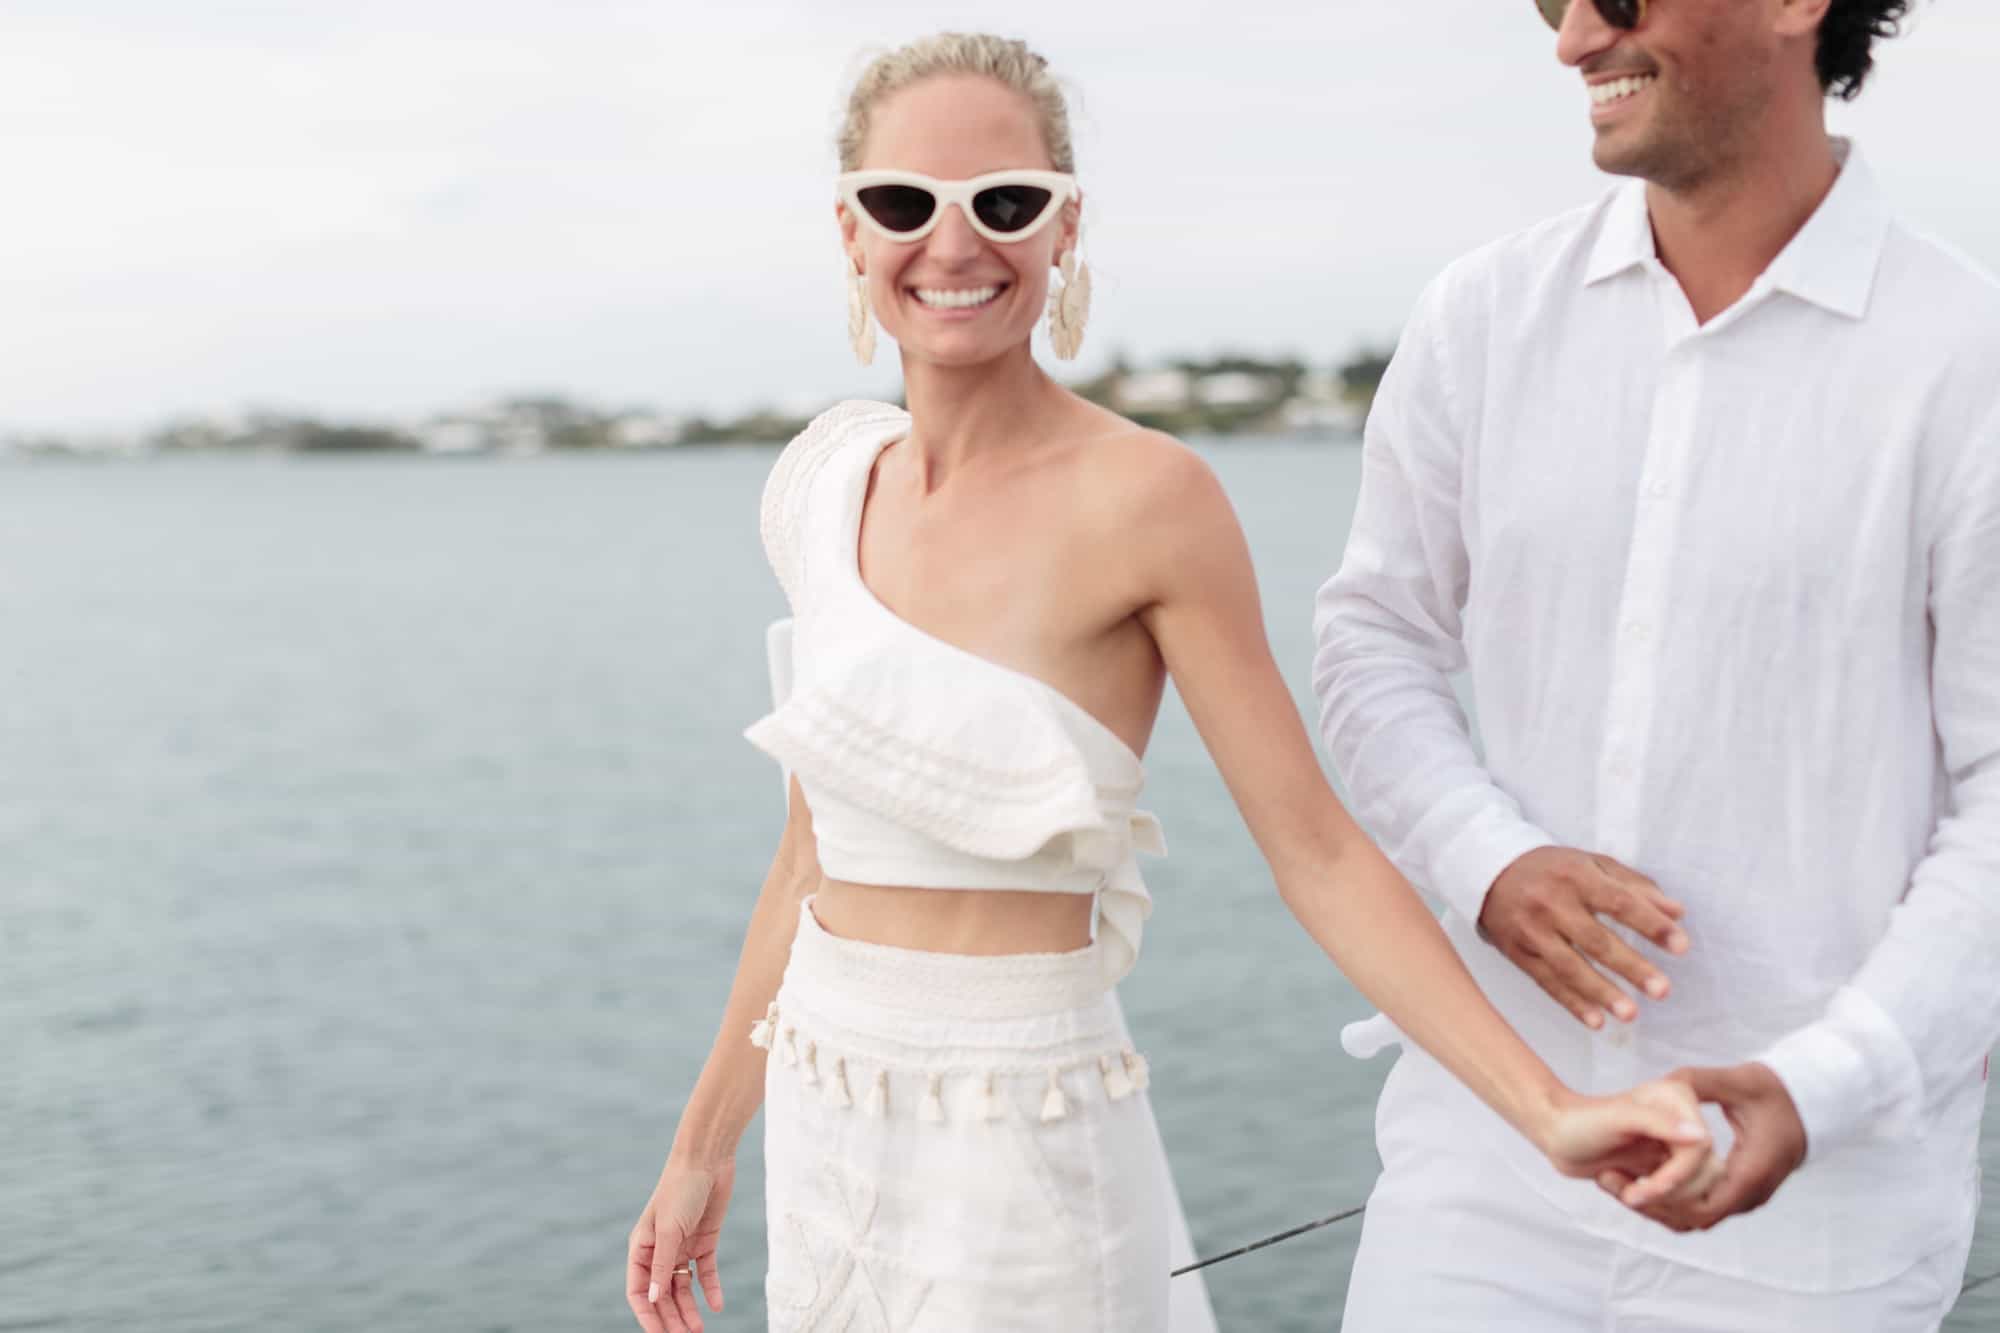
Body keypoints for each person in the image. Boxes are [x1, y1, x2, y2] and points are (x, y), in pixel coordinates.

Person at [627, 32, 1714, 1333]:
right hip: (825, 1121)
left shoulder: (1149, 500)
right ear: (851, 236)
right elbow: (810, 850)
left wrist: (1552, 1107)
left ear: (1065, 226)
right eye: (905, 204)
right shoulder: (822, 486)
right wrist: (702, 1145)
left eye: (1005, 203)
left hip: (1022, 1138)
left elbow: (1315, 852)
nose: (955, 244)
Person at [1315, 1, 2000, 1327]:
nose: (1574, 40)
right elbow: (1373, 638)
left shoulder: (1972, 363)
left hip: (1823, 1215)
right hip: (1483, 1164)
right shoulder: (1480, 317)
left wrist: (1825, 1079)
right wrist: (1482, 854)